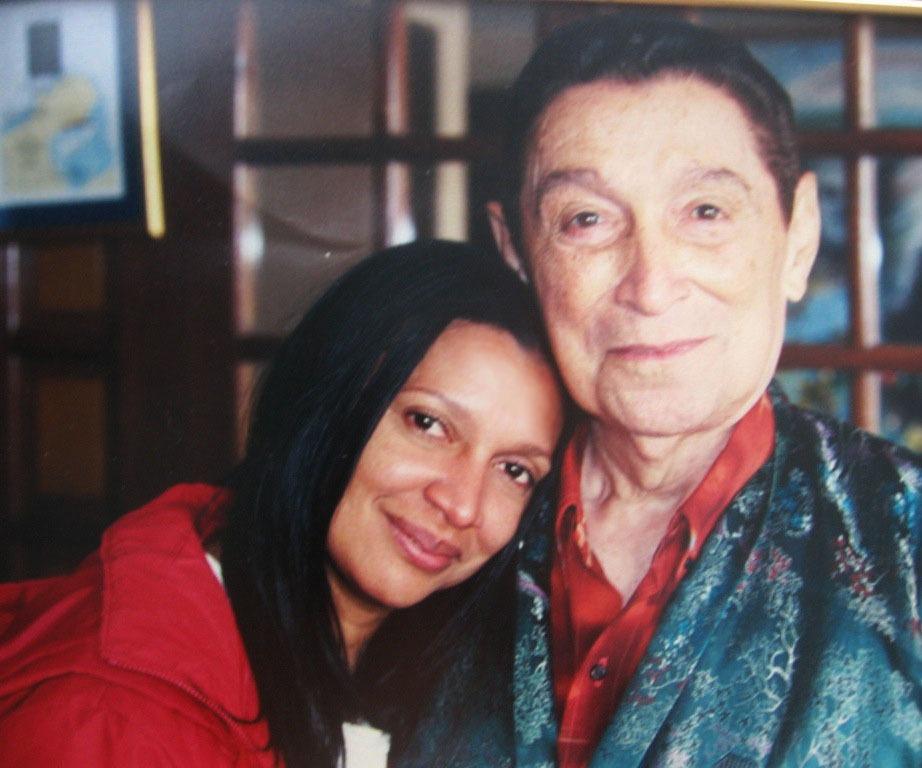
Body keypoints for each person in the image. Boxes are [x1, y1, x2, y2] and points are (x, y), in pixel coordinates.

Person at [426, 15, 921, 768]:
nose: (651, 285)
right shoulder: (444, 525)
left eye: (705, 212)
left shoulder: (903, 539)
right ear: (517, 254)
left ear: (798, 238)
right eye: (586, 220)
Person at [0, 241, 564, 768]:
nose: (462, 505)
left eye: (515, 470)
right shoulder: (111, 724)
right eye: (427, 423)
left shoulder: (448, 684)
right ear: (326, 398)